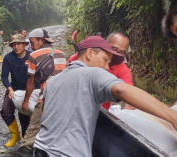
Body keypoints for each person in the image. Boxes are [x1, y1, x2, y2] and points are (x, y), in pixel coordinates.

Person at [33, 36, 177, 157]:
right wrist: (173, 117)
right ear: (89, 53)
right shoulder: (92, 73)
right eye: (106, 60)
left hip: (40, 149)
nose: (108, 67)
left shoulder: (53, 82)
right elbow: (122, 90)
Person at [19, 28, 67, 155]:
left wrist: (26, 101)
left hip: (45, 98)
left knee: (32, 132)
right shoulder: (62, 54)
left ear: (41, 40)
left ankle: (28, 150)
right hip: (62, 100)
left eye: (32, 41)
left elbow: (30, 81)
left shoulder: (34, 55)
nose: (30, 45)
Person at [1, 34, 33, 147]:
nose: (16, 47)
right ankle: (15, 135)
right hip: (13, 89)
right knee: (5, 111)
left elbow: (36, 77)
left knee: (24, 116)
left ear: (25, 44)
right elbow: (4, 76)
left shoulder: (31, 57)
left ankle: (26, 138)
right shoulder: (8, 58)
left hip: (28, 90)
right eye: (14, 45)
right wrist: (9, 88)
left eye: (19, 44)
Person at [102, 32, 134, 110]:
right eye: (114, 49)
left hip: (100, 113)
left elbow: (128, 90)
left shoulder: (122, 69)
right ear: (105, 44)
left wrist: (129, 102)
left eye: (122, 52)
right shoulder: (91, 54)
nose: (116, 54)